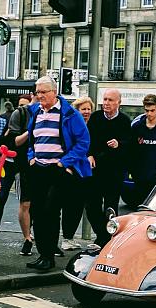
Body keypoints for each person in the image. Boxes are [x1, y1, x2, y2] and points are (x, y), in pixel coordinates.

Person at [19, 75, 91, 271]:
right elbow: (33, 141)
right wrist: (31, 157)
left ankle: (49, 256)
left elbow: (83, 142)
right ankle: (43, 254)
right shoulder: (36, 112)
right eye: (37, 92)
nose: (39, 96)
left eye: (43, 92)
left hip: (57, 170)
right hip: (38, 169)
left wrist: (63, 163)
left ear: (54, 92)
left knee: (50, 211)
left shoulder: (69, 114)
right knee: (37, 212)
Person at [85, 89, 131, 246]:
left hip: (114, 171)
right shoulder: (96, 118)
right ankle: (101, 234)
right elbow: (87, 140)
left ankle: (108, 238)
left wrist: (119, 144)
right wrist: (89, 155)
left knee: (111, 207)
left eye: (110, 100)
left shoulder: (124, 121)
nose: (106, 103)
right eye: (104, 99)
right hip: (96, 169)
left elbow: (130, 144)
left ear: (118, 102)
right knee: (91, 206)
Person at [0, 93, 33, 252]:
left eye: (25, 105)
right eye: (20, 105)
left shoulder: (32, 116)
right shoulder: (14, 118)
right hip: (9, 162)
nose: (22, 108)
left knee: (27, 201)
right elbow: (4, 140)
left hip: (25, 163)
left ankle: (28, 235)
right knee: (1, 195)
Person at [58, 96, 97, 251]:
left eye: (88, 109)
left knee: (82, 206)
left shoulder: (92, 125)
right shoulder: (71, 124)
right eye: (83, 109)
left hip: (87, 173)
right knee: (70, 205)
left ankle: (70, 237)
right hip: (73, 169)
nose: (86, 112)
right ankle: (67, 238)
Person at [130, 94, 156, 205]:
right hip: (138, 178)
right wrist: (133, 171)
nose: (149, 114)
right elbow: (130, 151)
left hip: (155, 179)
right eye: (147, 110)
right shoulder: (136, 128)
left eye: (152, 110)